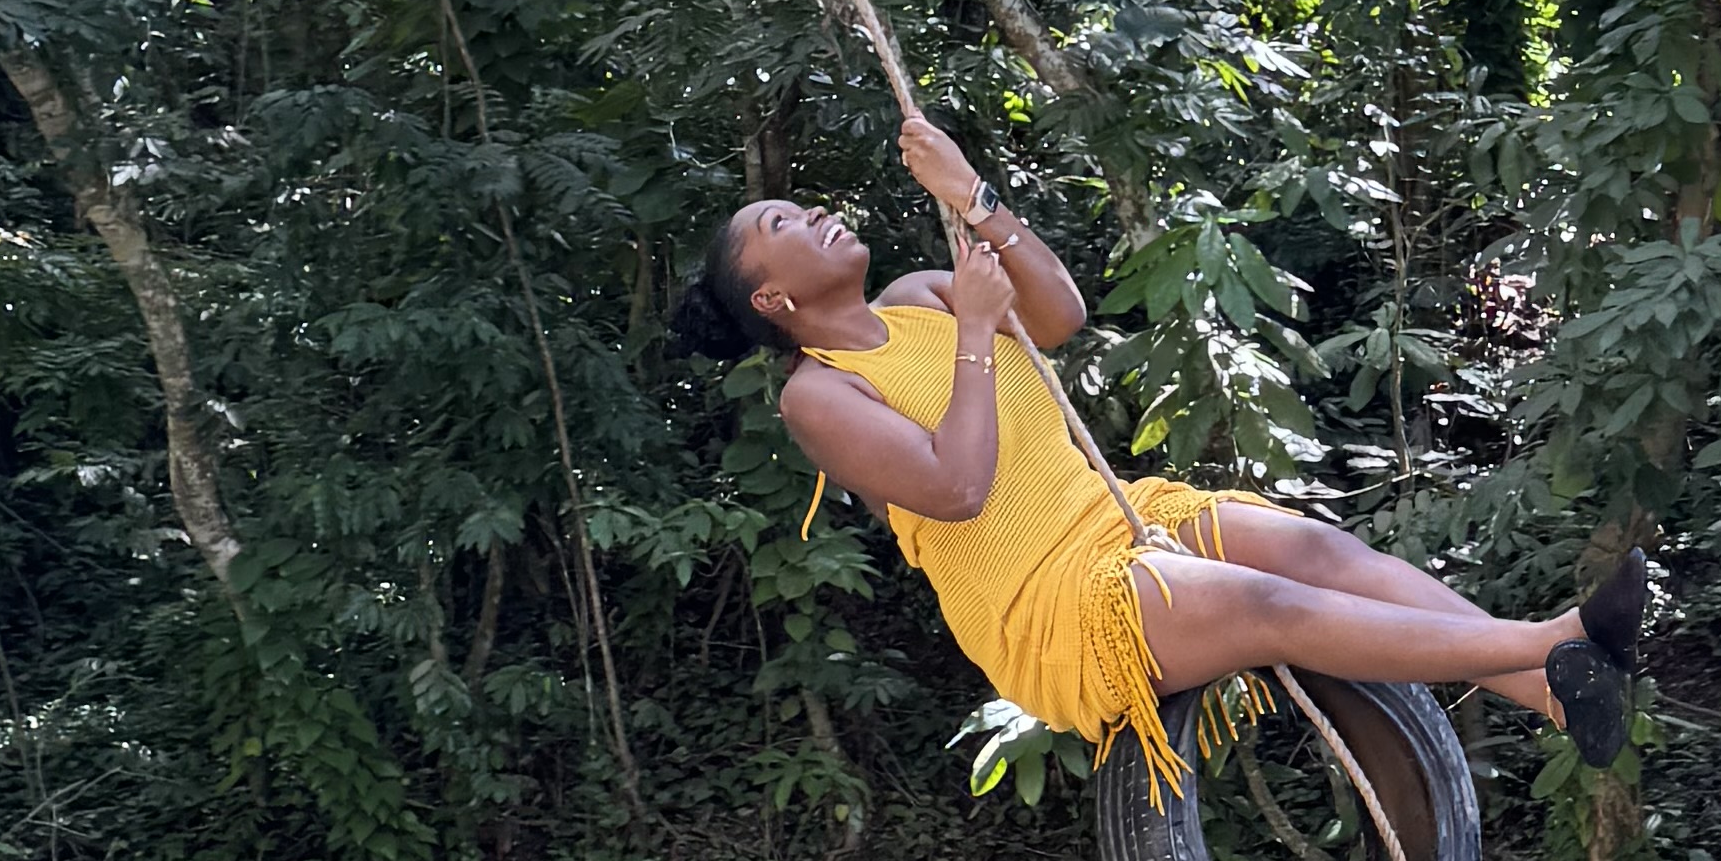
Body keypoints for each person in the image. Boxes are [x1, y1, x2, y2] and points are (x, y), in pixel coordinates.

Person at [675, 113, 1647, 802]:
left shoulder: (923, 292)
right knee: (1268, 609)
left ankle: (1550, 695)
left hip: (1117, 517)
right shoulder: (818, 395)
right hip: (1048, 607)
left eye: (799, 204)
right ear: (772, 302)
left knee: (1312, 553)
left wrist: (973, 196)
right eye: (782, 226)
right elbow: (956, 488)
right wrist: (976, 332)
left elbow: (1060, 316)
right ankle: (1548, 644)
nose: (810, 214)